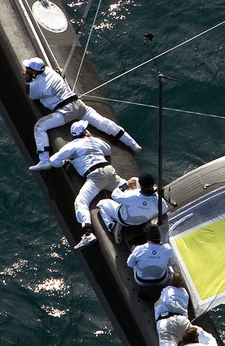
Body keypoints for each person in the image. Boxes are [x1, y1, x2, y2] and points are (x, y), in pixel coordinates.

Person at [22, 57, 140, 168]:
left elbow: (32, 96)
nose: (26, 70)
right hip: (78, 105)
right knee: (102, 122)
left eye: (28, 69)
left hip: (65, 111)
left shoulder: (36, 85)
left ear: (33, 71)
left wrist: (28, 81)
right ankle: (132, 143)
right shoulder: (50, 71)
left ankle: (44, 160)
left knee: (40, 126)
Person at [39, 119, 120, 249]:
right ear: (85, 132)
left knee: (81, 202)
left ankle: (88, 233)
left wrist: (66, 161)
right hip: (110, 172)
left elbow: (54, 161)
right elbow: (108, 150)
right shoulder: (95, 141)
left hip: (95, 177)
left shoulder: (71, 146)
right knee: (126, 188)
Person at [97, 172, 167, 236]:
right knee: (135, 180)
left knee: (102, 203)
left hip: (124, 219)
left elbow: (114, 195)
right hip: (140, 222)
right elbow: (165, 209)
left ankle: (111, 226)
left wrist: (126, 184)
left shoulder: (133, 195)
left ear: (141, 186)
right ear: (153, 185)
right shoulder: (159, 200)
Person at [127, 225, 179, 300]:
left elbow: (130, 264)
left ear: (148, 238)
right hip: (161, 281)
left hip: (141, 282)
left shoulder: (138, 250)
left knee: (135, 262)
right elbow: (171, 263)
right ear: (159, 236)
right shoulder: (168, 249)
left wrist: (133, 252)